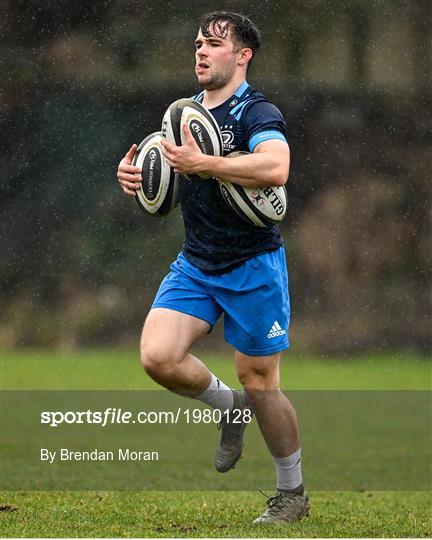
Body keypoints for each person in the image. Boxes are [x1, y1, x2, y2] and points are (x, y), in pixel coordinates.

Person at [117, 11, 310, 524]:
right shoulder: (183, 114)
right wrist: (137, 175)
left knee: (260, 381)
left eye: (214, 44)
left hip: (253, 266)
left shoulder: (256, 111)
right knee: (158, 356)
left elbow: (276, 167)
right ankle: (229, 410)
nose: (201, 51)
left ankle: (292, 494)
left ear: (243, 55)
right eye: (198, 43)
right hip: (197, 262)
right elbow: (167, 170)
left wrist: (209, 164)